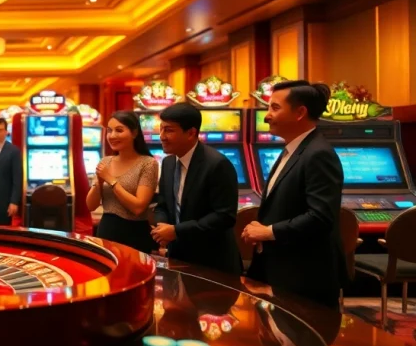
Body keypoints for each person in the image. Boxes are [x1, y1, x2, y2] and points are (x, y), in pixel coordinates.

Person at [242, 80, 345, 308]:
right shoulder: (294, 148)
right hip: (281, 269)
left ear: (300, 112)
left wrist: (268, 231)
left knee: (304, 342)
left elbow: (321, 217)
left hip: (304, 276)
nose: (267, 116)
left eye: (275, 108)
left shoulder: (318, 154)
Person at [150, 103, 241, 276]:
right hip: (177, 256)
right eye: (161, 129)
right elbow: (162, 204)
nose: (161, 136)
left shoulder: (217, 164)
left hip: (212, 261)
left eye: (169, 130)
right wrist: (162, 227)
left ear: (191, 133)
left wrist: (177, 231)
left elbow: (224, 216)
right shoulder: (168, 162)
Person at [85, 111, 158, 253]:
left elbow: (138, 208)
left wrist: (111, 180)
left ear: (134, 133)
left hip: (134, 234)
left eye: (119, 130)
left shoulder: (148, 164)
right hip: (106, 231)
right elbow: (90, 206)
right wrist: (99, 183)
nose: (112, 136)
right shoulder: (106, 161)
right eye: (109, 131)